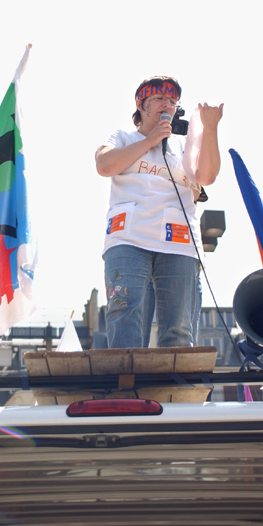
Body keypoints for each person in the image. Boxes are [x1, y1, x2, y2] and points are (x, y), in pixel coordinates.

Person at [95, 76, 223, 348]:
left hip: (179, 244)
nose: (169, 104)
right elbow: (104, 165)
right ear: (141, 105)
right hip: (129, 239)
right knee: (125, 316)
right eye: (160, 99)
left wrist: (210, 128)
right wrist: (151, 140)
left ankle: (174, 388)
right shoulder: (123, 137)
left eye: (173, 101)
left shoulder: (184, 144)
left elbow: (207, 176)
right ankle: (128, 386)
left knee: (179, 327)